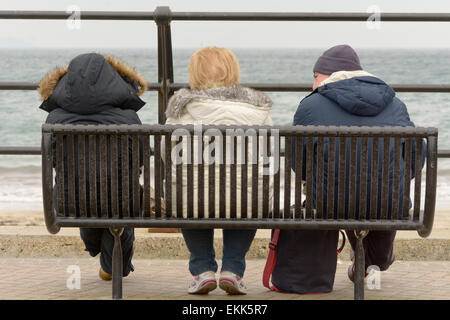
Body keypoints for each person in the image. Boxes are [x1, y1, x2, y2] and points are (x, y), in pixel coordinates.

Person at [292, 44, 420, 283]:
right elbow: (414, 157)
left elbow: (299, 162)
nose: (312, 84)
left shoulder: (310, 106)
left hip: (330, 205)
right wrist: (392, 179)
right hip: (390, 203)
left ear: (329, 75)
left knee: (342, 187)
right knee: (383, 188)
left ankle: (366, 259)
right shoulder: (396, 105)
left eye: (315, 77)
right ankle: (375, 260)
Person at [165, 46, 274, 295]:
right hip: (245, 201)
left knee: (189, 196)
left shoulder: (180, 109)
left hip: (192, 201)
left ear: (194, 74)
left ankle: (203, 270)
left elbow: (165, 151)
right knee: (246, 196)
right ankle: (232, 270)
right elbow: (268, 156)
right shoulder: (256, 110)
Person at [38, 52, 147, 281]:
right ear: (114, 82)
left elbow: (55, 162)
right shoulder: (129, 119)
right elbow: (138, 162)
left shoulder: (55, 120)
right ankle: (113, 265)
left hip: (70, 203)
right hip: (122, 202)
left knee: (81, 190)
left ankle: (99, 252)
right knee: (121, 197)